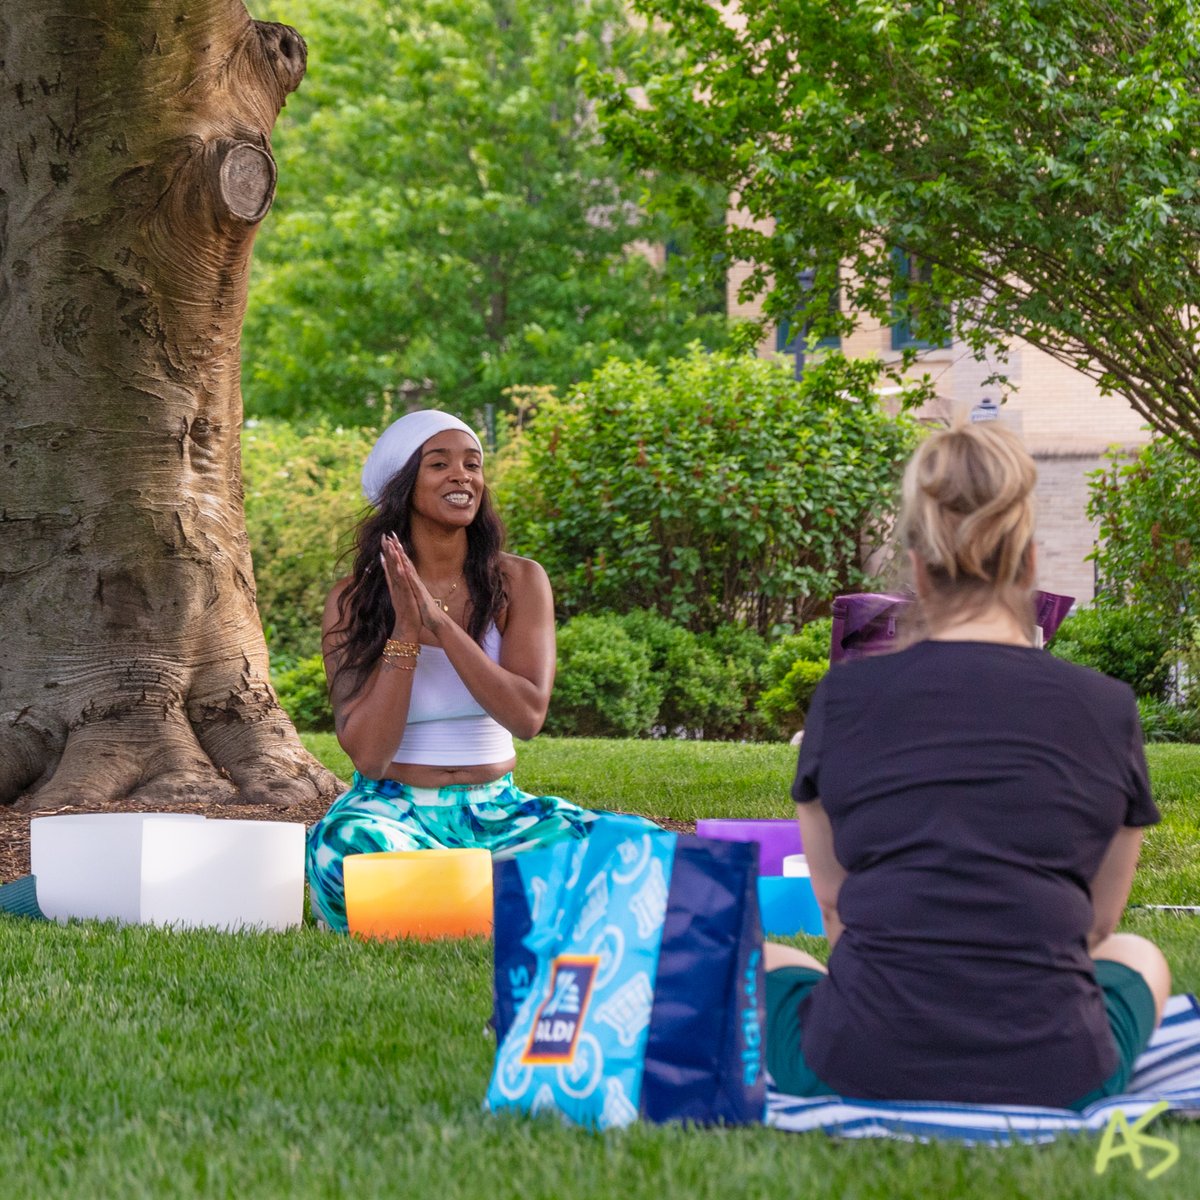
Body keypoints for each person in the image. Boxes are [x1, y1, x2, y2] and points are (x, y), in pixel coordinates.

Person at [765, 418, 1171, 1108]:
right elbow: (1098, 924)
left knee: (766, 956)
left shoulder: (844, 698)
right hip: (1060, 1071)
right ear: (1033, 561)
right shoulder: (1107, 707)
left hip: (856, 1062)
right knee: (1139, 954)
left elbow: (834, 906)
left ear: (918, 568)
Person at [306, 409, 607, 932]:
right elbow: (371, 758)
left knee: (638, 845)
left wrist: (440, 627)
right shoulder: (352, 601)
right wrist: (405, 629)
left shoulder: (520, 581)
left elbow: (528, 716)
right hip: (392, 813)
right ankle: (510, 900)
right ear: (403, 487)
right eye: (439, 464)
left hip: (500, 813)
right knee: (346, 851)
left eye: (473, 464)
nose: (461, 475)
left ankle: (451, 902)